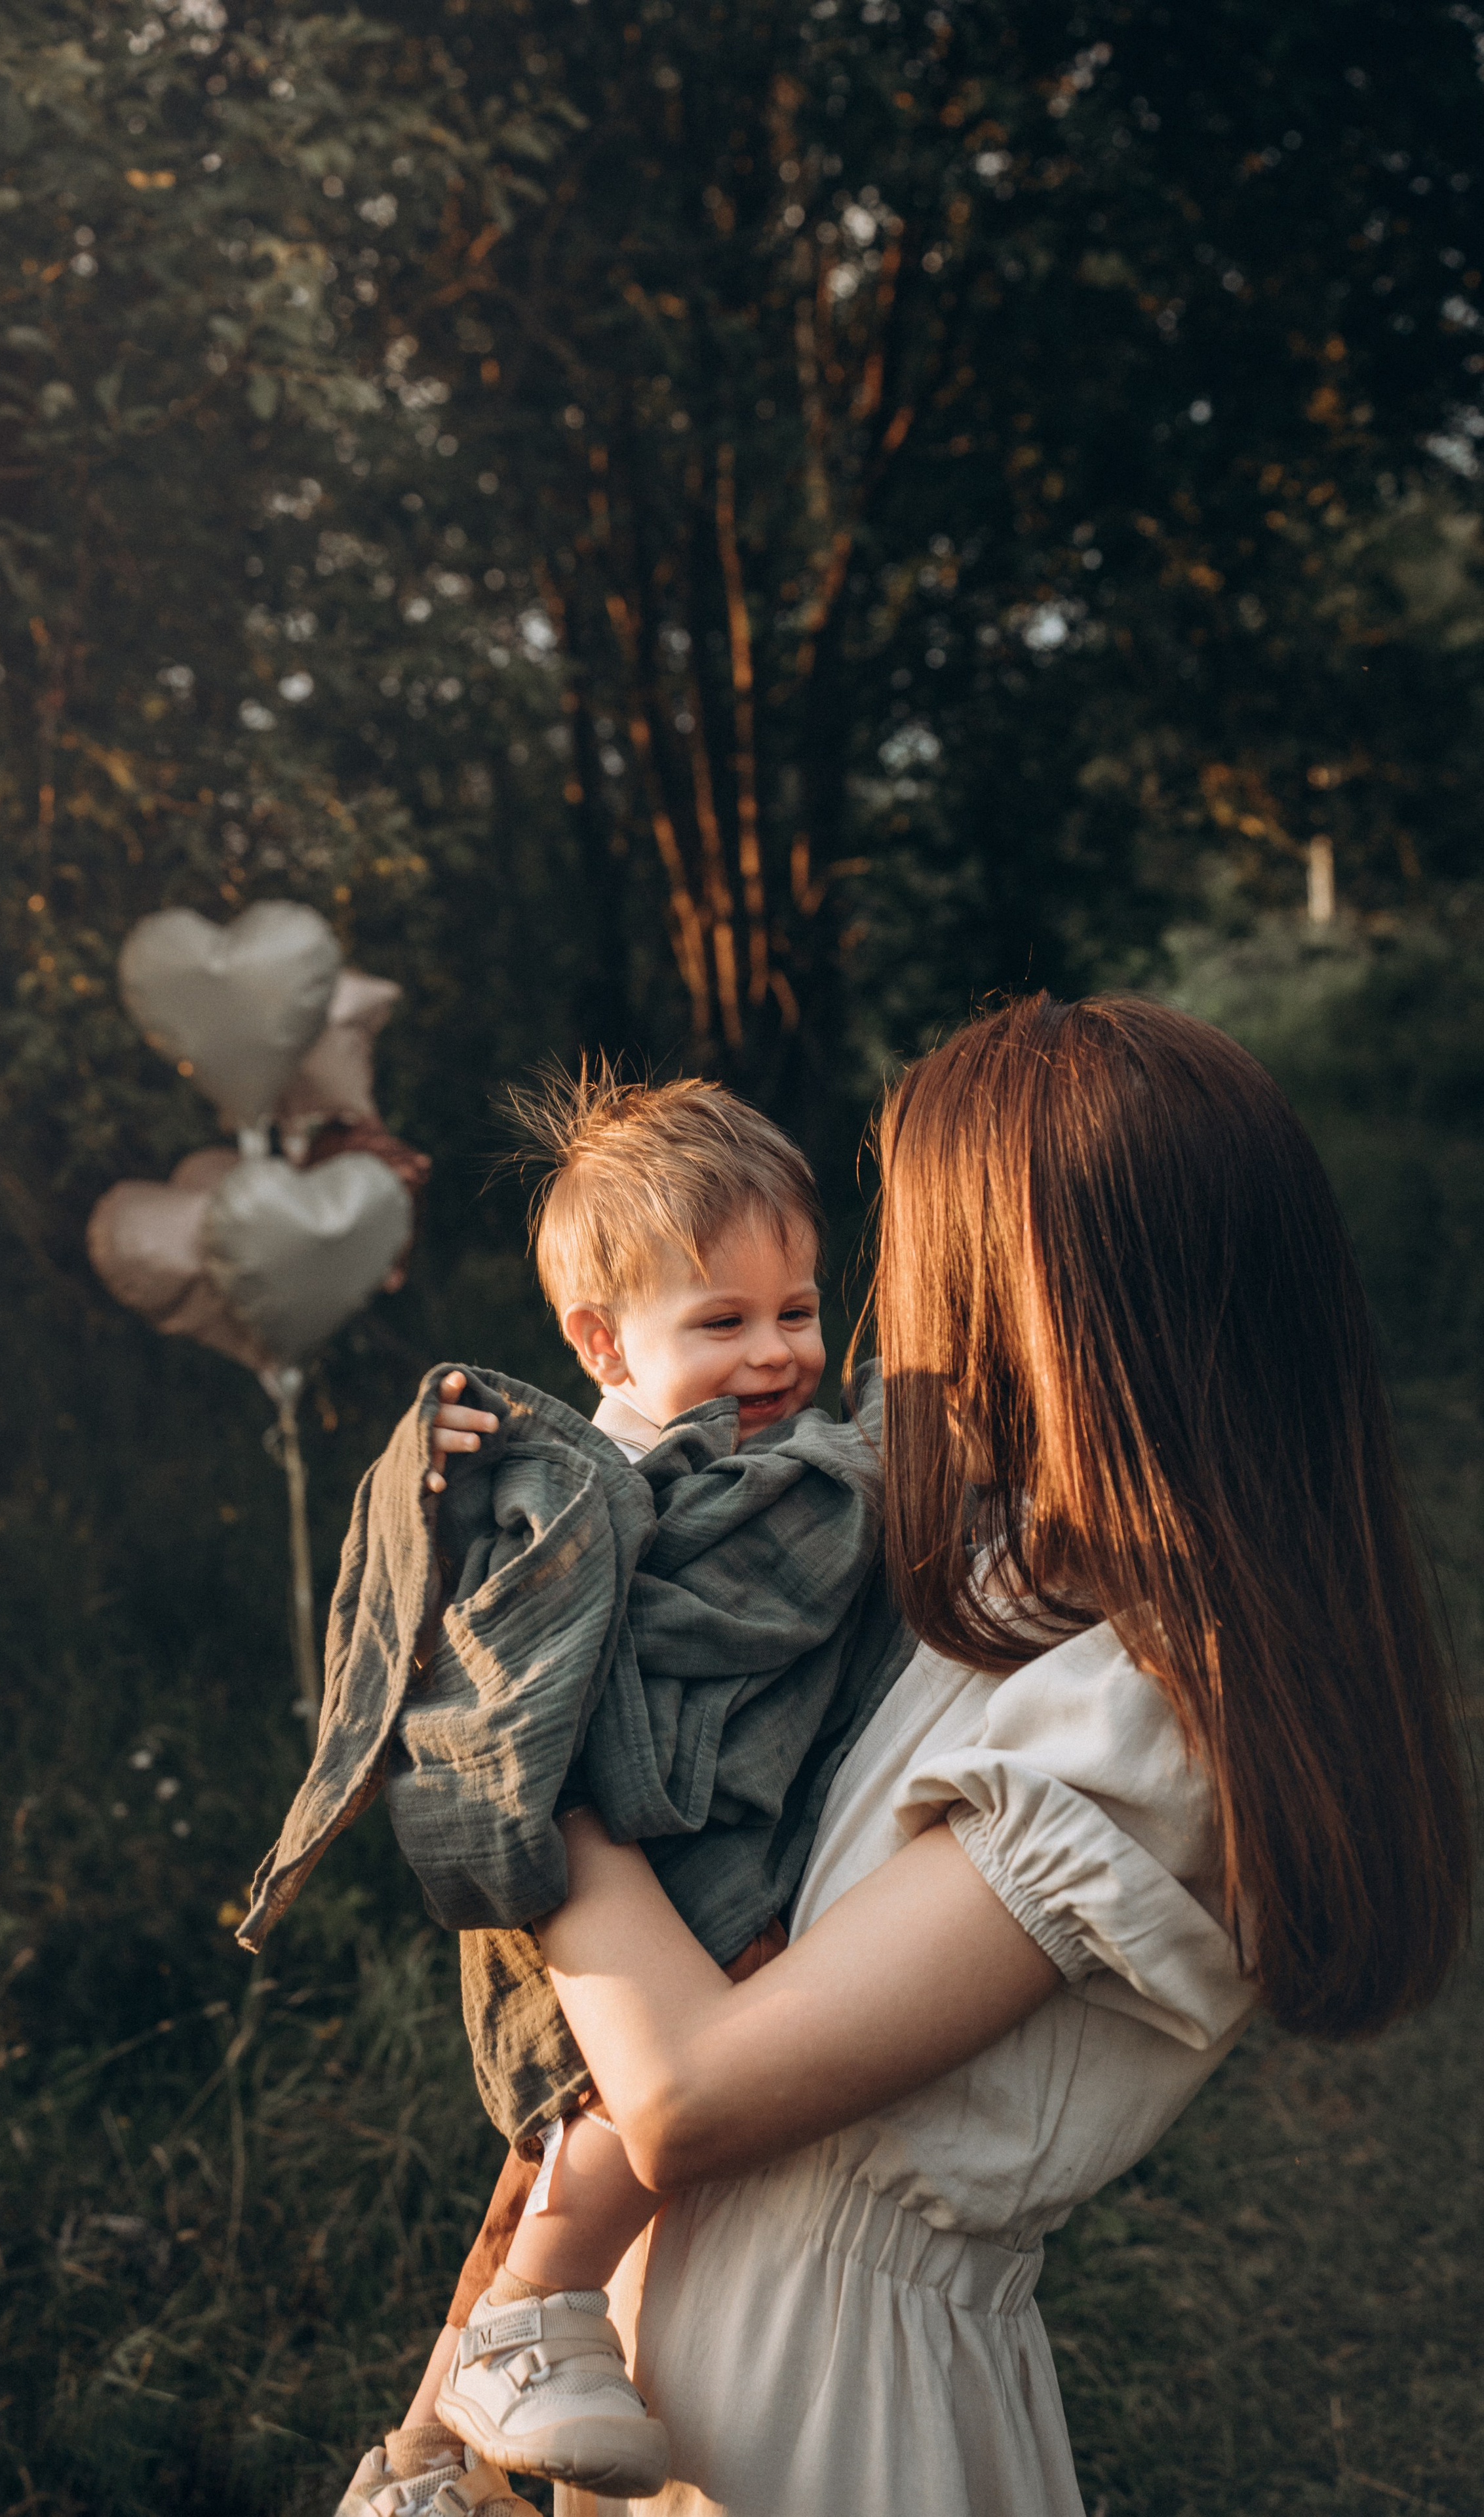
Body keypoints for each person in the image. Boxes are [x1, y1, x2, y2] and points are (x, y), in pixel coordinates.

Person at [517, 994, 1474, 2516]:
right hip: (669, 2342)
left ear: (1041, 1301)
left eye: (921, 1255)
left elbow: (688, 2088)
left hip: (826, 2409)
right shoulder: (1006, 1572)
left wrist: (511, 1721)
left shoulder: (1148, 1711)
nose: (891, 1310)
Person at [296, 1070, 908, 2517]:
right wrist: (429, 1479)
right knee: (626, 2101)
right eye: (722, 1322)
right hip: (590, 1858)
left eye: (799, 1311)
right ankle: (530, 2321)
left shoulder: (766, 1458)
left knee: (543, 2162)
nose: (775, 1354)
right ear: (599, 1341)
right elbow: (456, 1606)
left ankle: (421, 2462)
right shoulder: (575, 1476)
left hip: (647, 1843)